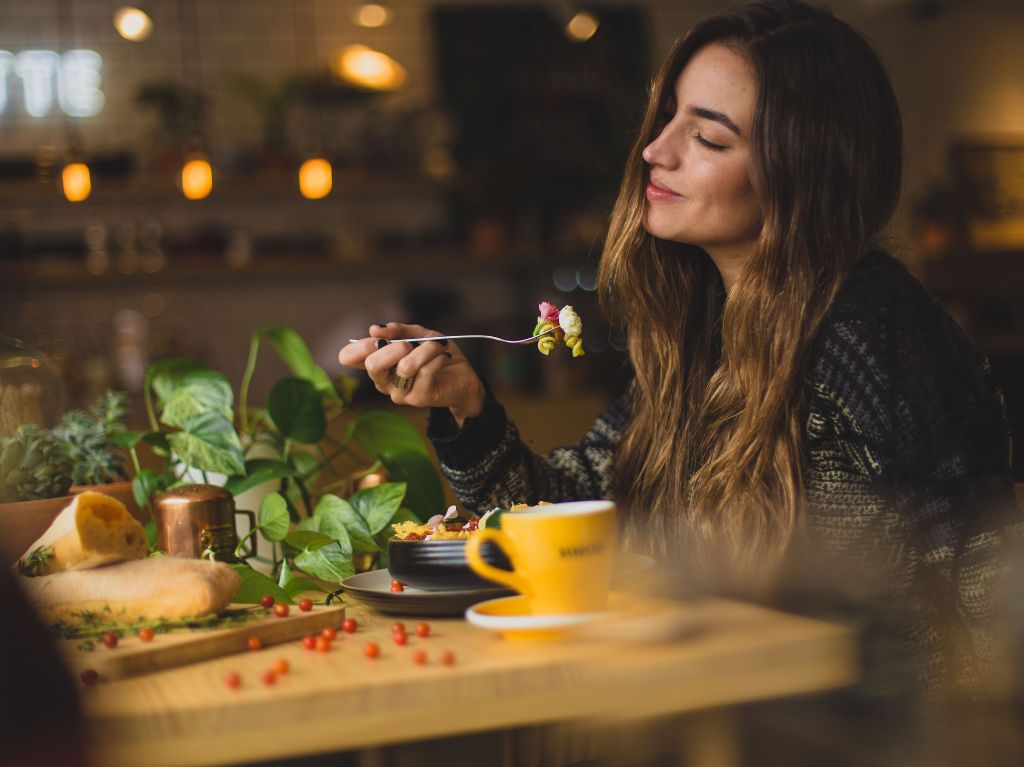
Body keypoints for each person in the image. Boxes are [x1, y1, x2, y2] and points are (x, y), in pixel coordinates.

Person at [339, 0, 1020, 695]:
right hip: (731, 712)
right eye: (668, 118)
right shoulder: (702, 334)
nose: (654, 150)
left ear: (802, 173)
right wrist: (466, 402)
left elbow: (987, 579)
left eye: (711, 139)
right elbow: (576, 519)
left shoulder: (870, 330)